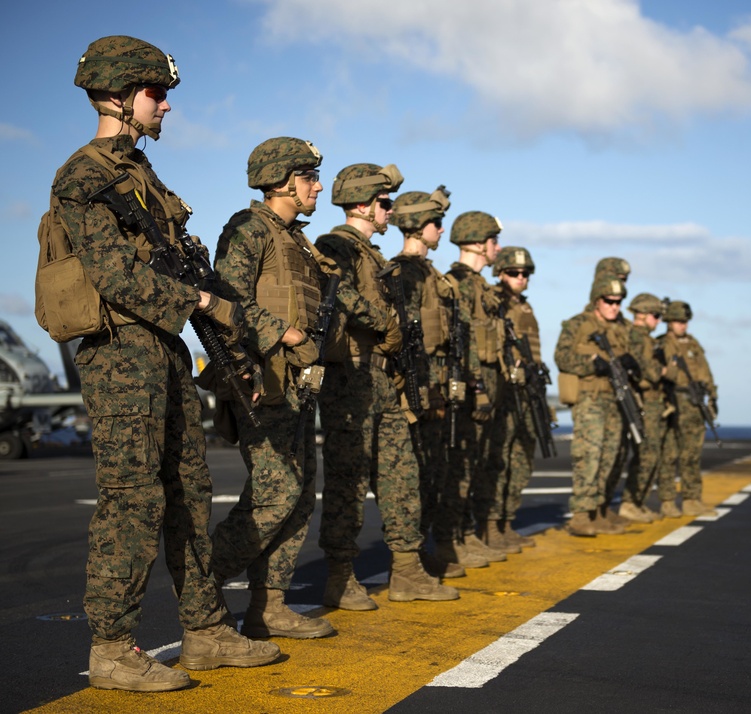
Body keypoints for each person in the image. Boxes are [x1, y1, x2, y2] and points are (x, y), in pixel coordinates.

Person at [51, 35, 278, 692]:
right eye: (157, 94)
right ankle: (113, 646)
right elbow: (113, 276)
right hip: (121, 352)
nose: (166, 107)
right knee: (132, 500)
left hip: (164, 350)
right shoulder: (85, 177)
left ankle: (205, 633)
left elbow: (171, 258)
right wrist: (200, 298)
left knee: (189, 492)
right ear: (121, 96)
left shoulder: (140, 177)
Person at [315, 163, 458, 607]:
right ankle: (340, 574)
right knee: (349, 479)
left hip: (383, 375)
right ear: (362, 204)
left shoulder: (373, 254)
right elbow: (334, 291)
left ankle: (407, 570)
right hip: (351, 375)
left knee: (402, 477)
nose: (390, 211)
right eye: (383, 203)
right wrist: (385, 321)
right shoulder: (335, 245)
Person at [208, 137, 334, 639]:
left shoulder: (298, 241)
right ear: (282, 180)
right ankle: (203, 584)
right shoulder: (248, 230)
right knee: (275, 493)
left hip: (299, 385)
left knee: (300, 495)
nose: (317, 186)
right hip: (264, 382)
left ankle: (269, 605)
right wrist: (280, 332)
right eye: (308, 177)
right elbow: (223, 298)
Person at [387, 186, 467, 578]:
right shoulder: (401, 272)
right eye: (436, 222)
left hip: (438, 388)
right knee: (413, 476)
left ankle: (424, 552)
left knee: (435, 472)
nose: (440, 229)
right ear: (418, 226)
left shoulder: (434, 275)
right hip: (415, 390)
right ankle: (409, 560)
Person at [437, 211, 509, 567]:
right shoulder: (461, 284)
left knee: (476, 465)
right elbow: (461, 343)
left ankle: (465, 533)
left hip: (487, 387)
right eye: (494, 240)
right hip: (470, 389)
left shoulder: (481, 286)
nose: (498, 247)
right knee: (459, 468)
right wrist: (477, 387)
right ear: (480, 243)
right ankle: (451, 537)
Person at [554, 275, 634, 536]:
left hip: (615, 399)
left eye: (619, 302)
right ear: (597, 300)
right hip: (589, 399)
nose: (614, 306)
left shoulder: (622, 327)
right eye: (609, 301)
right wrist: (591, 364)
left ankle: (598, 510)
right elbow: (562, 357)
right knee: (589, 456)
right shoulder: (578, 324)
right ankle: (580, 515)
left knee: (610, 456)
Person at [479, 246, 546, 552]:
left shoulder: (526, 308)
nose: (521, 278)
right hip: (504, 391)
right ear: (501, 273)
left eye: (525, 274)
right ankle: (490, 525)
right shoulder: (494, 302)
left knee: (521, 458)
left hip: (527, 391)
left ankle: (506, 521)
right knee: (498, 459)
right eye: (514, 273)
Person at [658, 300, 718, 517]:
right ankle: (667, 500)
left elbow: (705, 371)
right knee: (669, 454)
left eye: (684, 321)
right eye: (677, 321)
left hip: (694, 404)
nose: (682, 325)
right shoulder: (663, 344)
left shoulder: (693, 344)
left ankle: (692, 499)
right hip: (674, 402)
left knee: (692, 454)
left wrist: (712, 397)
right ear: (669, 322)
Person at [619, 293, 670, 523]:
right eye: (656, 315)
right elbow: (650, 372)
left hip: (653, 401)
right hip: (644, 401)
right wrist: (662, 370)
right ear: (643, 314)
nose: (658, 321)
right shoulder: (638, 338)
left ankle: (637, 502)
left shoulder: (647, 339)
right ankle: (631, 502)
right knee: (646, 454)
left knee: (651, 454)